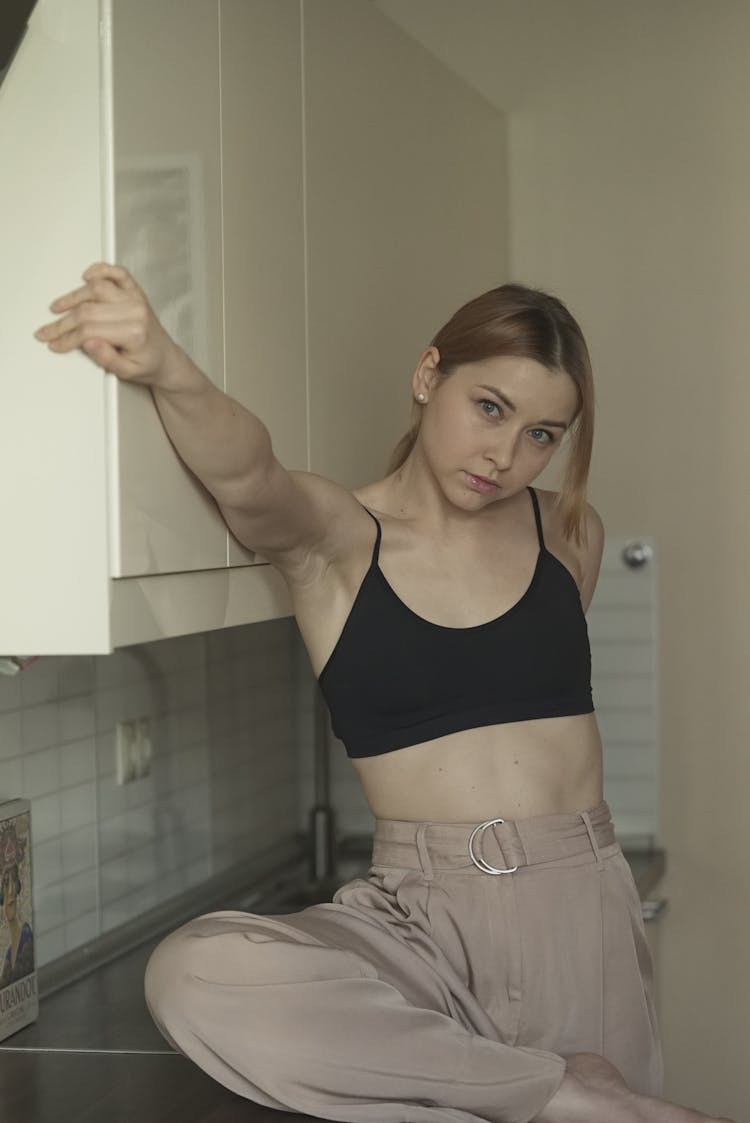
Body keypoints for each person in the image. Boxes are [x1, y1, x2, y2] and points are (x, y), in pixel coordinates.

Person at [35, 264, 733, 1123]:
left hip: (576, 907)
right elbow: (251, 477)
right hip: (418, 920)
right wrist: (165, 366)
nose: (505, 455)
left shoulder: (569, 533)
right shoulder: (337, 539)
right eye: (489, 407)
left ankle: (556, 1089)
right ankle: (555, 1087)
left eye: (543, 434)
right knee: (191, 970)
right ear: (428, 374)